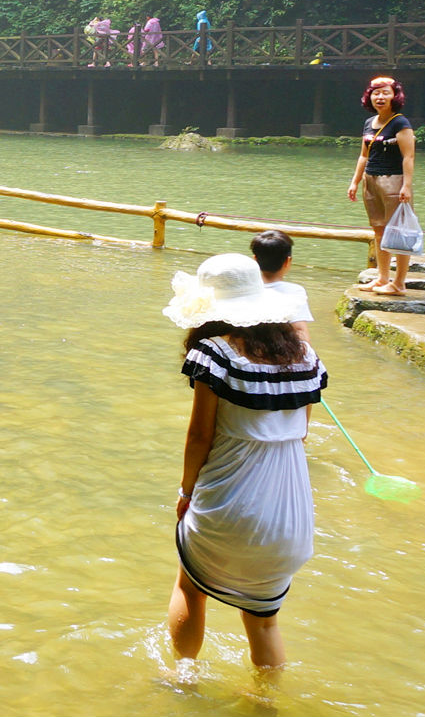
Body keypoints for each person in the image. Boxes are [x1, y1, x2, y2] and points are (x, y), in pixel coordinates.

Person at [162, 253, 327, 674]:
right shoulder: (305, 355)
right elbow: (302, 432)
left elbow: (200, 435)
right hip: (290, 513)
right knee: (265, 622)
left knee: (190, 586)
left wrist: (185, 492)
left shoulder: (214, 353)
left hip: (230, 499)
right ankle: (266, 701)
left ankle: (183, 681)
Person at [345, 77, 415, 296]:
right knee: (379, 229)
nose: (380, 97)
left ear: (395, 96)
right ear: (369, 97)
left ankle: (399, 283)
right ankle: (382, 278)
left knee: (399, 232)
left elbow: (408, 156)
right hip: (371, 179)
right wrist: (355, 181)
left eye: (385, 92)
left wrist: (407, 185)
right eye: (376, 93)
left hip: (393, 179)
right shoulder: (369, 123)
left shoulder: (400, 123)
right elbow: (363, 155)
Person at [250, 231, 314, 343]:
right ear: (287, 261)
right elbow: (300, 331)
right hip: (281, 350)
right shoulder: (295, 291)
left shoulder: (244, 288)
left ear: (255, 260)